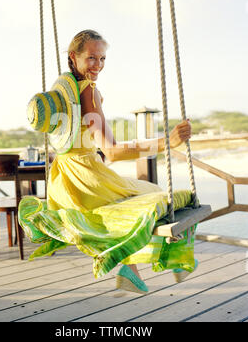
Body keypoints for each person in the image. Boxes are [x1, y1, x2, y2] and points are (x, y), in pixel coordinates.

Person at [19, 29, 198, 295]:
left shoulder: (63, 93)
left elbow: (80, 143)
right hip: (86, 180)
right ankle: (174, 254)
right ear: (73, 56)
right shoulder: (88, 91)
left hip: (65, 183)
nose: (98, 66)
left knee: (121, 209)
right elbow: (112, 151)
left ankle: (131, 270)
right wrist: (166, 143)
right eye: (92, 58)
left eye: (102, 59)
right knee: (157, 197)